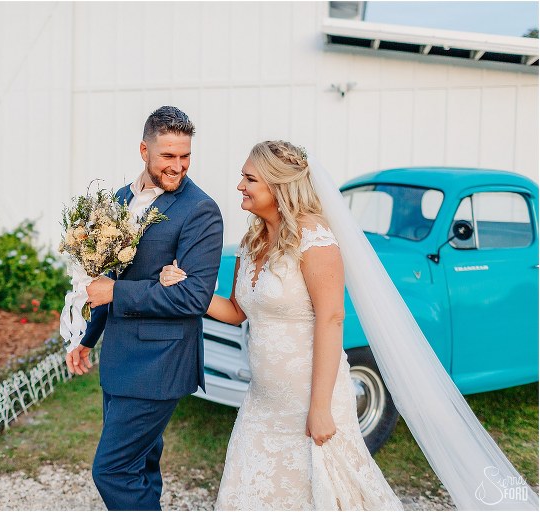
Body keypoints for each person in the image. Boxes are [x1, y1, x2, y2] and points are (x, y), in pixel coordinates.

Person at [159, 141, 403, 510]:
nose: (240, 185)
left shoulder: (315, 240)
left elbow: (332, 318)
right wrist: (188, 289)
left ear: (278, 187)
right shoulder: (252, 240)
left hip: (310, 399)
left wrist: (320, 408)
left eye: (250, 178)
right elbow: (238, 310)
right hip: (263, 400)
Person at [65, 106, 224, 511]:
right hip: (120, 357)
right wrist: (88, 338)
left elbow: (193, 298)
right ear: (143, 150)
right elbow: (105, 278)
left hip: (159, 361)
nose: (179, 166)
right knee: (139, 467)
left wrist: (118, 292)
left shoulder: (201, 211)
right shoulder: (119, 201)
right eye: (168, 156)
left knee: (112, 470)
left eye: (185, 155)